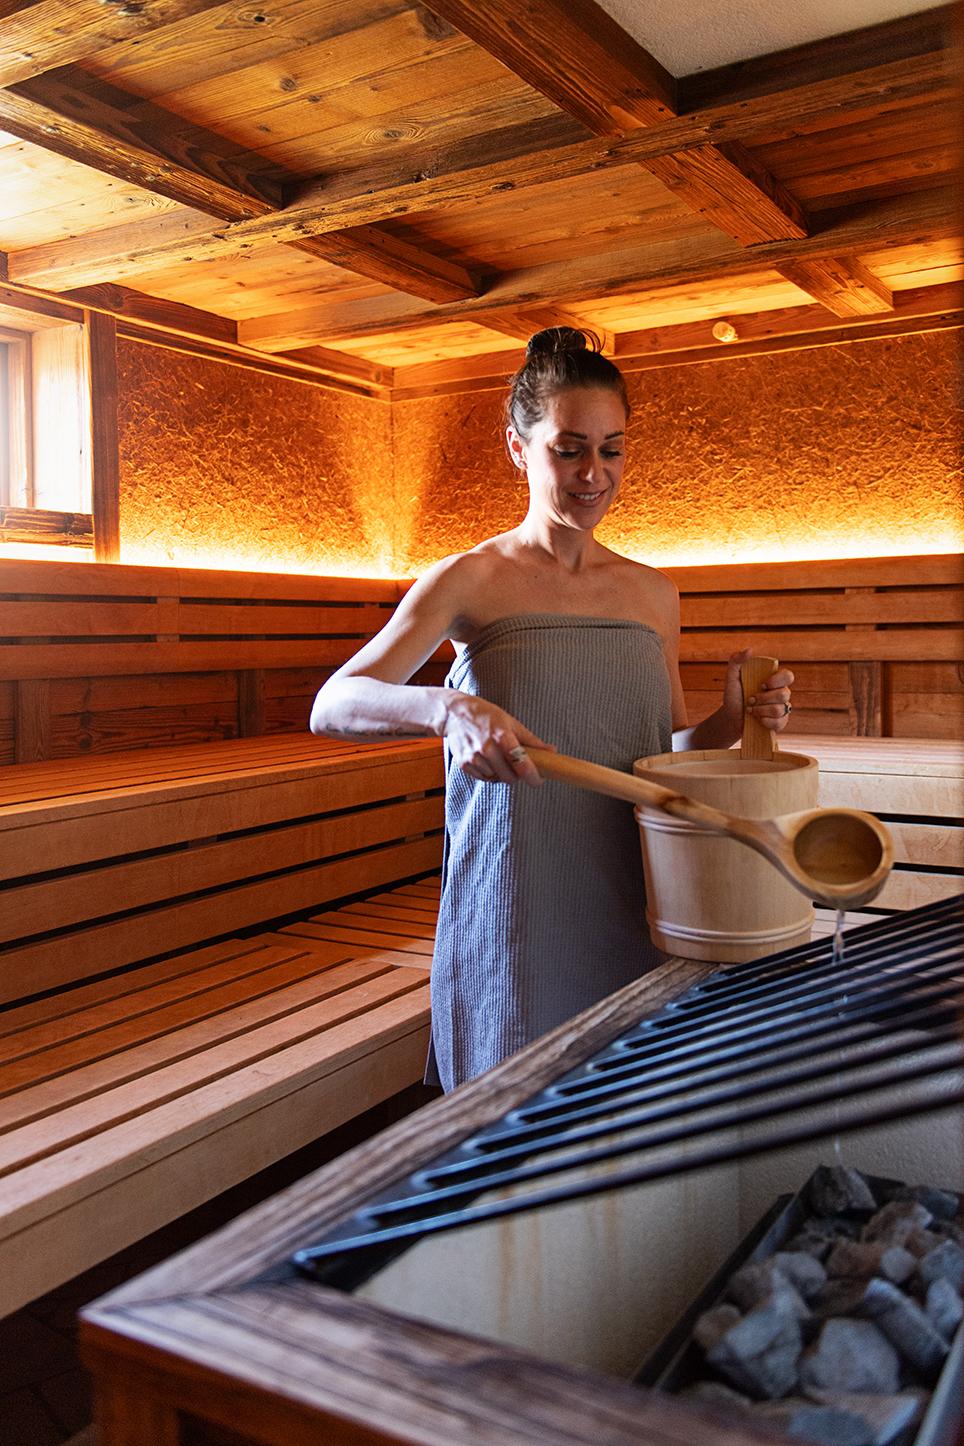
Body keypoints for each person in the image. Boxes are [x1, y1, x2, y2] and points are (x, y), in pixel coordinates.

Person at [310, 328, 793, 1091]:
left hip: (634, 896)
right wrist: (449, 709)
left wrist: (729, 721)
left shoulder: (652, 593)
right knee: (510, 1130)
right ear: (518, 447)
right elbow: (334, 703)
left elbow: (665, 747)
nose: (593, 474)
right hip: (518, 904)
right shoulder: (470, 579)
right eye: (569, 450)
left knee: (626, 1121)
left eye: (612, 449)